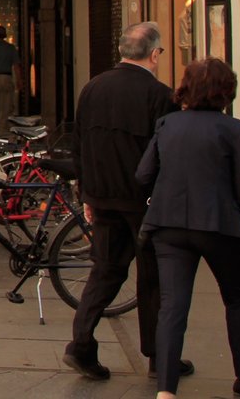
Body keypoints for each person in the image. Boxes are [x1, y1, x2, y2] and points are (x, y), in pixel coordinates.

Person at [63, 21, 186, 381]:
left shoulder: (92, 88)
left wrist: (86, 192)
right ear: (155, 53)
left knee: (105, 269)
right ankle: (159, 357)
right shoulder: (160, 95)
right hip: (143, 200)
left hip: (102, 195)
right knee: (153, 277)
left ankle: (81, 345)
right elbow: (166, 153)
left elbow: (79, 144)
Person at [136, 57, 240, 399]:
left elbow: (143, 175)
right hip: (217, 224)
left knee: (172, 305)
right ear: (226, 92)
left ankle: (166, 389)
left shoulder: (167, 125)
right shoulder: (237, 130)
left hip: (168, 224)